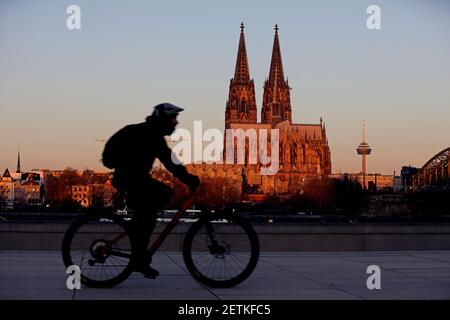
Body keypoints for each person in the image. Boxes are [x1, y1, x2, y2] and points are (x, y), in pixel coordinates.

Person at [103, 103, 200, 278]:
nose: (176, 123)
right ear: (163, 120)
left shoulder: (151, 133)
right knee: (150, 213)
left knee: (160, 198)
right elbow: (171, 163)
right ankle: (139, 258)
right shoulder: (149, 135)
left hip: (134, 177)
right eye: (173, 119)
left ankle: (137, 232)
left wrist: (187, 178)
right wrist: (189, 179)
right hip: (129, 178)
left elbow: (170, 162)